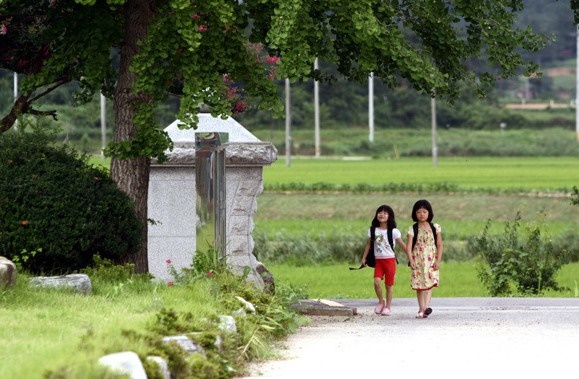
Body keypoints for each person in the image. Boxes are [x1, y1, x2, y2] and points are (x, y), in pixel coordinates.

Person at [361, 204, 407, 316]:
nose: (382, 214)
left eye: (385, 213)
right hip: (379, 262)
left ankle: (388, 307)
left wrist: (411, 257)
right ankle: (381, 302)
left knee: (388, 285)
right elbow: (368, 245)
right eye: (380, 212)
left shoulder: (394, 231)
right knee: (376, 282)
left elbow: (402, 245)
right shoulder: (373, 230)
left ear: (389, 216)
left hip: (390, 261)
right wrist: (364, 258)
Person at [405, 199, 443, 319]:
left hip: (431, 259)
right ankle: (421, 308)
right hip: (418, 260)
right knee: (419, 284)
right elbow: (409, 246)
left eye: (424, 211)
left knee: (430, 283)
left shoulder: (435, 227)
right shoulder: (413, 228)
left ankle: (426, 308)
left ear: (429, 213)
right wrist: (411, 260)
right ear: (415, 214)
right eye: (419, 212)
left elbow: (440, 244)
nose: (422, 214)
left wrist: (438, 260)